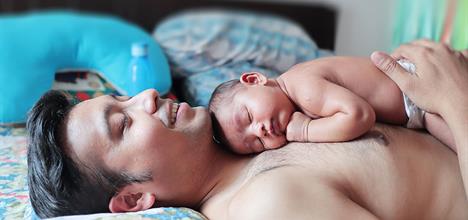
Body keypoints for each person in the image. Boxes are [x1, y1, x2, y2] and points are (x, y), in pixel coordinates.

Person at [27, 39, 468, 219]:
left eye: (122, 98)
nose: (145, 98)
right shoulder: (267, 206)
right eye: (123, 123)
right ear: (133, 199)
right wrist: (453, 97)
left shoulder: (254, 131)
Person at [208, 53, 455, 155]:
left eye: (249, 117)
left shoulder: (304, 90)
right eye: (257, 144)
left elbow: (359, 115)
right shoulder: (294, 88)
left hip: (416, 91)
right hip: (416, 105)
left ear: (255, 79)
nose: (259, 131)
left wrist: (305, 131)